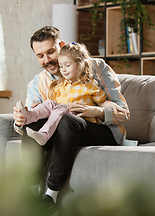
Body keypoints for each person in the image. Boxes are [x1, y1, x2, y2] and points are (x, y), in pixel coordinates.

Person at [13, 26, 131, 211]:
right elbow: (30, 124)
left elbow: (123, 114)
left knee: (67, 120)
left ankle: (51, 195)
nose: (47, 60)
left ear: (61, 45)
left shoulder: (97, 68)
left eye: (51, 52)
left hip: (96, 129)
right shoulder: (38, 83)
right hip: (59, 132)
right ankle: (32, 194)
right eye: (40, 55)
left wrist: (96, 111)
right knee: (34, 122)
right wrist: (21, 119)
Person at [15, 42, 123, 146]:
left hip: (76, 119)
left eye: (51, 52)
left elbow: (102, 102)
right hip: (62, 116)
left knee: (61, 112)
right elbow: (53, 103)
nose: (63, 70)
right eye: (61, 66)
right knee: (49, 104)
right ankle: (28, 115)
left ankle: (44, 134)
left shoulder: (89, 84)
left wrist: (110, 105)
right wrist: (25, 117)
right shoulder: (57, 84)